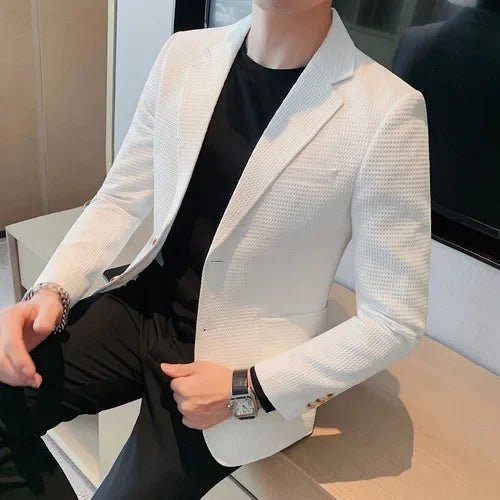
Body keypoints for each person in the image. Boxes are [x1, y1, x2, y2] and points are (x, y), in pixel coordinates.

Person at [0, 1, 431, 498]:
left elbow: (394, 320)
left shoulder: (386, 110)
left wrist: (247, 390)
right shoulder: (184, 55)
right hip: (143, 308)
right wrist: (51, 291)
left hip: (233, 364)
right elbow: (122, 195)